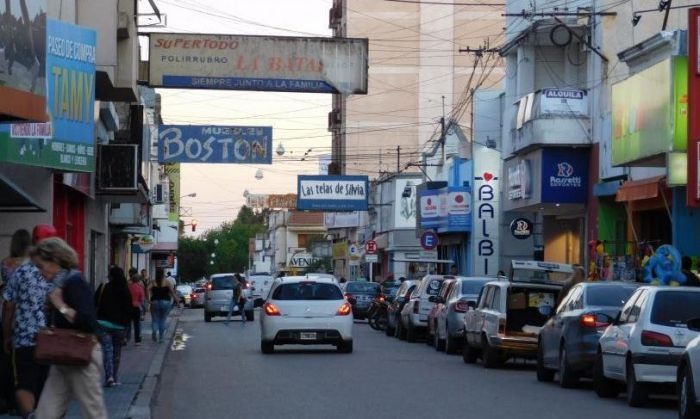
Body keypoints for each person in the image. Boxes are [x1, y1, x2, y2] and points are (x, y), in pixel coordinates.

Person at [31, 237, 107, 419]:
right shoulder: (60, 283)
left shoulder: (75, 282)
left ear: (55, 260)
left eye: (41, 266)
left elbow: (88, 321)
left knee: (92, 413)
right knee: (45, 413)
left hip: (82, 354)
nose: (40, 272)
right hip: (63, 355)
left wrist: (60, 305)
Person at [2, 225, 57, 419]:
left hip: (24, 339)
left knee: (25, 385)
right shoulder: (57, 272)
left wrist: (6, 335)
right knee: (46, 386)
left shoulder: (21, 271)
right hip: (51, 340)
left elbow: (9, 306)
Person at [95, 266, 132, 387]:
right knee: (117, 353)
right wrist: (127, 329)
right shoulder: (125, 290)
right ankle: (115, 377)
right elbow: (128, 310)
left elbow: (94, 302)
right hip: (119, 327)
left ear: (110, 276)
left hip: (103, 324)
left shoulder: (103, 287)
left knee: (107, 351)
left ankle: (109, 376)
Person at [149, 268, 177, 343]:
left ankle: (154, 330)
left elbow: (147, 288)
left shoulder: (153, 282)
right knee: (162, 320)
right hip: (165, 302)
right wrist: (177, 300)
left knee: (155, 319)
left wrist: (148, 298)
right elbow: (173, 292)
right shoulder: (167, 282)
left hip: (154, 302)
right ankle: (161, 338)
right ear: (163, 274)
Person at [127, 271, 145, 345]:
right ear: (138, 280)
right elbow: (142, 299)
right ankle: (137, 340)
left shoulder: (128, 287)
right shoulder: (140, 287)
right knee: (136, 324)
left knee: (128, 323)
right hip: (136, 307)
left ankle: (126, 338)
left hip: (128, 307)